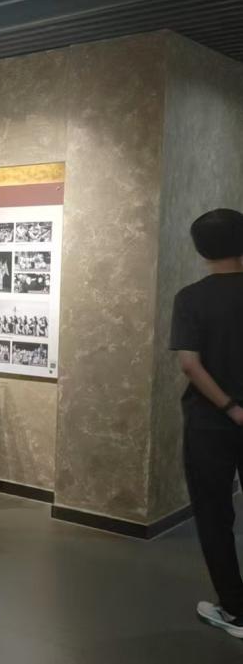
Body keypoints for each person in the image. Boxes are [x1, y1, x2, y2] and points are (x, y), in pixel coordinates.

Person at [171, 208, 243, 639]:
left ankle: (235, 610)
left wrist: (232, 408)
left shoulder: (191, 298)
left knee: (215, 516)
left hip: (208, 423)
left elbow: (190, 364)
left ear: (200, 250)